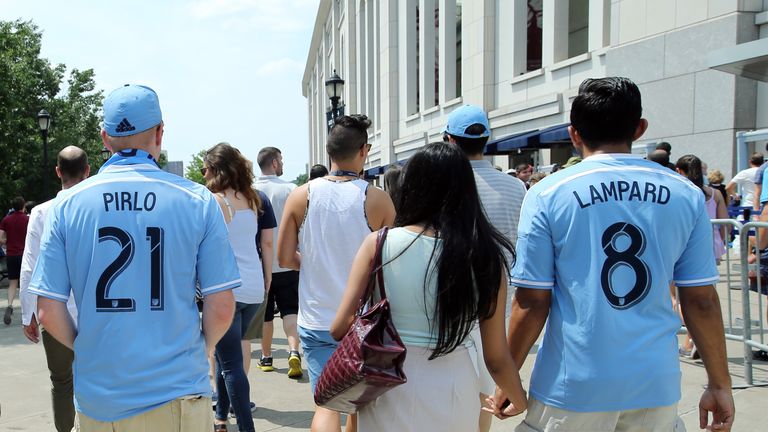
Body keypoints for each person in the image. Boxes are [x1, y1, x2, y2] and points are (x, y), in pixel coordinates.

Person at [492, 77, 734, 431]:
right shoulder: (686, 194)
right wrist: (719, 383)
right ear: (639, 129)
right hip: (655, 382)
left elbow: (531, 301)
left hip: (573, 381)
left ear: (574, 134)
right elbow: (701, 300)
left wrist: (508, 377)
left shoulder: (548, 193)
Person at [29, 84, 239, 431]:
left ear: (104, 138)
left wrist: (88, 351)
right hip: (176, 391)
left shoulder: (67, 204)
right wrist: (201, 350)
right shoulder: (196, 200)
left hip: (100, 399)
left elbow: (47, 311)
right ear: (159, 132)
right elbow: (222, 305)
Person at [330, 143, 527, 431]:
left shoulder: (379, 244)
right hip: (455, 384)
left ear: (412, 187)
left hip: (387, 383)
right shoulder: (485, 256)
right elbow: (496, 357)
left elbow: (338, 328)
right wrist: (519, 398)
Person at [278, 114, 395, 432]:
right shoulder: (377, 199)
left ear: (329, 152)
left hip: (316, 318)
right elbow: (393, 259)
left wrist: (313, 262)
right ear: (364, 150)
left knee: (326, 404)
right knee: (356, 404)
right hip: (363, 321)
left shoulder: (301, 195)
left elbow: (284, 256)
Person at [443, 104, 527, 432]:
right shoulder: (515, 187)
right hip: (502, 299)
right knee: (484, 387)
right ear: (487, 140)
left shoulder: (447, 185)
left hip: (453, 296)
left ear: (450, 140)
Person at [203, 142, 275, 431]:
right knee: (226, 357)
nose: (204, 174)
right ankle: (221, 417)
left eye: (206, 169)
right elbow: (267, 243)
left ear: (217, 170)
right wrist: (267, 277)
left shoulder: (213, 201)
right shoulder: (257, 199)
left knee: (230, 362)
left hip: (225, 289)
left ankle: (246, 427)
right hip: (254, 285)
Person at [19, 146, 89, 432]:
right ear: (87, 171)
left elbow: (29, 266)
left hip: (53, 311)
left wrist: (28, 315)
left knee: (61, 382)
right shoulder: (95, 208)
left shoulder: (40, 212)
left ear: (58, 172)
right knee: (95, 378)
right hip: (94, 310)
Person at [255, 146, 303, 379]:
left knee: (265, 316)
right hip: (287, 261)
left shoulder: (251, 190)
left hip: (261, 265)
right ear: (274, 163)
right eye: (281, 160)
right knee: (290, 311)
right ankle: (294, 350)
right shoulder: (292, 189)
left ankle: (266, 357)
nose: (283, 164)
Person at [0, 196, 28, 325]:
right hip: (25, 255)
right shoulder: (28, 219)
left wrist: (7, 241)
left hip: (11, 255)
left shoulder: (6, 220)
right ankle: (26, 312)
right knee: (25, 283)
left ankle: (10, 305)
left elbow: (1, 239)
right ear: (23, 206)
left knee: (13, 283)